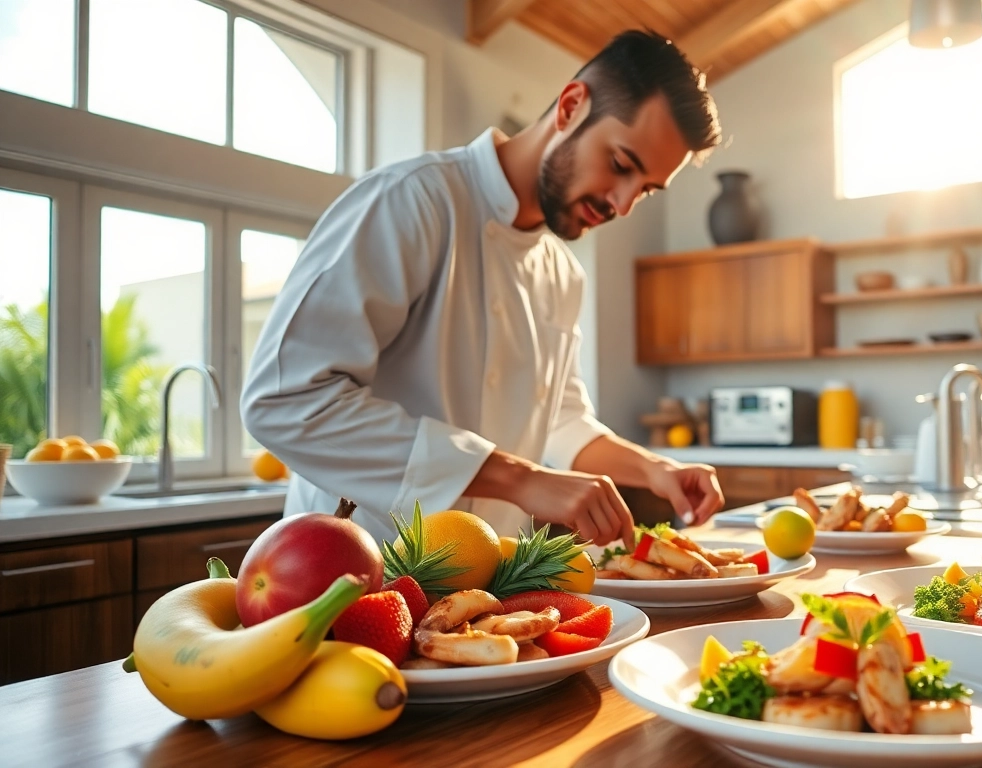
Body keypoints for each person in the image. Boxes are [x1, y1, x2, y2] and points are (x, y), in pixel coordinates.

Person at [242, 30, 725, 547]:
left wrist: (654, 470)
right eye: (621, 165)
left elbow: (559, 421)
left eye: (646, 189)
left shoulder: (562, 275)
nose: (624, 204)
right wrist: (523, 479)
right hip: (355, 573)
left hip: (483, 582)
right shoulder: (414, 202)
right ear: (570, 107)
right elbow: (285, 400)